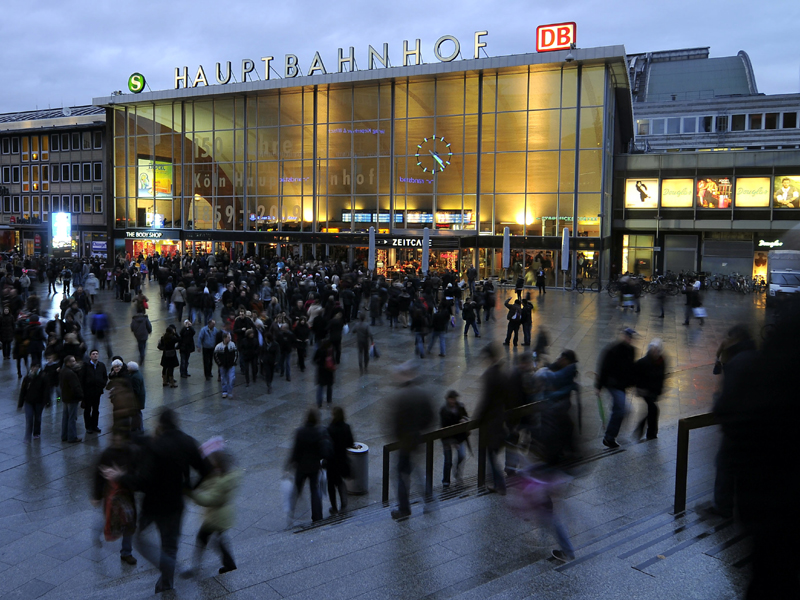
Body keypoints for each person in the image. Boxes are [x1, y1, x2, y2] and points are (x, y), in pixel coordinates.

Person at [101, 408, 208, 594]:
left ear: (160, 425)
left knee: (141, 540)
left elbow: (142, 481)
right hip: (175, 504)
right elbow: (206, 469)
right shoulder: (187, 442)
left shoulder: (155, 446)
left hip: (153, 506)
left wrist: (119, 476)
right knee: (170, 545)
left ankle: (169, 569)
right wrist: (190, 487)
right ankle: (167, 583)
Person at [183, 439, 241, 577]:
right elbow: (211, 485)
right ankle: (227, 563)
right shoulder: (225, 476)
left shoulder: (222, 482)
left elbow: (209, 499)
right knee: (217, 540)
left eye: (214, 460)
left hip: (216, 517)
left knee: (203, 538)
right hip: (222, 515)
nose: (211, 462)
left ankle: (197, 568)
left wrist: (190, 493)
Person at [385, 363, 434, 519]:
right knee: (416, 472)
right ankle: (429, 501)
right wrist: (420, 429)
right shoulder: (421, 393)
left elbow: (393, 422)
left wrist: (397, 436)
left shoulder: (401, 396)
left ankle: (404, 508)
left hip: (405, 441)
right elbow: (431, 416)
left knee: (400, 474)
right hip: (417, 439)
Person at [93, 431, 139, 566]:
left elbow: (136, 471)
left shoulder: (131, 452)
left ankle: (126, 552)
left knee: (129, 520)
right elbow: (98, 474)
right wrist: (97, 495)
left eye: (121, 437)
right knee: (110, 518)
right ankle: (98, 531)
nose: (118, 439)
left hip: (127, 493)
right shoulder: (107, 454)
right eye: (116, 437)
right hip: (112, 495)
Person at [474, 345, 509, 495]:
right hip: (499, 418)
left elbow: (486, 400)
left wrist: (477, 418)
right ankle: (498, 483)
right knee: (492, 453)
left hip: (491, 421)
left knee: (491, 454)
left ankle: (499, 484)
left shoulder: (490, 374)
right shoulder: (502, 373)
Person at [596, 328, 637, 449]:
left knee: (620, 408)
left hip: (622, 385)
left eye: (630, 337)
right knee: (620, 408)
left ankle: (611, 435)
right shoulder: (613, 350)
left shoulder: (631, 350)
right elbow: (604, 368)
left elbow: (631, 368)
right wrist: (598, 386)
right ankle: (609, 437)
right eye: (627, 336)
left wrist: (632, 382)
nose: (628, 339)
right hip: (613, 384)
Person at [287, 409, 330, 523]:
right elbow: (323, 451)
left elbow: (296, 450)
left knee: (297, 489)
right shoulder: (318, 432)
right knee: (315, 491)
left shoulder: (300, 432)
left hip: (301, 466)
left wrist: (291, 462)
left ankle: (291, 512)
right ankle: (317, 516)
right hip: (314, 467)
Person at [633, 339, 667, 441]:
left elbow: (661, 377)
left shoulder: (661, 361)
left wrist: (660, 390)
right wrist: (638, 388)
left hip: (654, 390)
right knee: (654, 409)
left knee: (652, 411)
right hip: (645, 390)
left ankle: (646, 431)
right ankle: (651, 433)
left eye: (656, 350)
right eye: (653, 350)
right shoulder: (643, 362)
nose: (654, 352)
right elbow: (635, 375)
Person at [327, 406, 355, 515]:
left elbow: (326, 446)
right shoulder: (346, 427)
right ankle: (343, 503)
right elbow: (350, 443)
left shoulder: (330, 429)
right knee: (339, 482)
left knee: (331, 484)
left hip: (332, 461)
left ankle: (334, 507)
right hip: (342, 459)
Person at [440, 390, 469, 488]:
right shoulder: (444, 410)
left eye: (454, 399)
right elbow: (444, 428)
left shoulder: (460, 407)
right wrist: (452, 441)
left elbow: (466, 416)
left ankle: (457, 473)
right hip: (447, 439)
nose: (452, 401)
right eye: (451, 399)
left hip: (459, 437)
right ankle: (446, 481)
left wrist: (465, 419)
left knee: (462, 455)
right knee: (448, 461)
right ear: (448, 399)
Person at [18, 363, 49, 443]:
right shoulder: (27, 378)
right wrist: (20, 403)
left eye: (36, 367)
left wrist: (46, 401)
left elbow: (46, 390)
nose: (34, 369)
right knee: (29, 418)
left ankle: (36, 432)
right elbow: (23, 391)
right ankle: (27, 436)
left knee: (37, 418)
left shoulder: (43, 377)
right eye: (33, 367)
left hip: (39, 401)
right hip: (29, 401)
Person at [81, 349, 109, 434]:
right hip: (88, 392)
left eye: (97, 354)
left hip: (97, 392)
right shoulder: (86, 366)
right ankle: (88, 426)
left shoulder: (101, 365)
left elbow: (105, 377)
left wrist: (102, 385)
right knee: (87, 409)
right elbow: (82, 379)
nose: (95, 355)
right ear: (90, 356)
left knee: (96, 409)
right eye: (93, 354)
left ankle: (95, 425)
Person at [60, 355, 84, 443]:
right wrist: (81, 396)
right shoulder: (70, 373)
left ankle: (64, 436)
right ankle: (72, 437)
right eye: (73, 361)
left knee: (65, 417)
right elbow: (75, 387)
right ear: (68, 363)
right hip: (72, 399)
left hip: (65, 398)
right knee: (72, 418)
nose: (75, 362)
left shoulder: (63, 371)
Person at [214, 332, 238, 399]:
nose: (230, 338)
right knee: (223, 379)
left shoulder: (232, 344)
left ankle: (230, 391)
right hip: (223, 365)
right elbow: (215, 356)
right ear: (224, 338)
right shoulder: (219, 346)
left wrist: (234, 362)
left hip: (231, 365)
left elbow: (236, 353)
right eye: (228, 337)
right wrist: (219, 363)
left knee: (231, 378)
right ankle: (224, 391)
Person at [313, 339, 335, 407]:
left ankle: (319, 402)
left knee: (320, 386)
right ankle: (329, 400)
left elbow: (314, 359)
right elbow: (334, 360)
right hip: (329, 370)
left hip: (321, 370)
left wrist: (319, 363)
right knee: (329, 386)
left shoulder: (319, 350)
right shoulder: (330, 351)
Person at [127, 361, 146, 432]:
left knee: (136, 413)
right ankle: (136, 426)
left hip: (137, 399)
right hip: (139, 398)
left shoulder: (135, 377)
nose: (127, 369)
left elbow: (135, 390)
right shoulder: (137, 374)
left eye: (128, 367)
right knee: (137, 413)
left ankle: (138, 427)